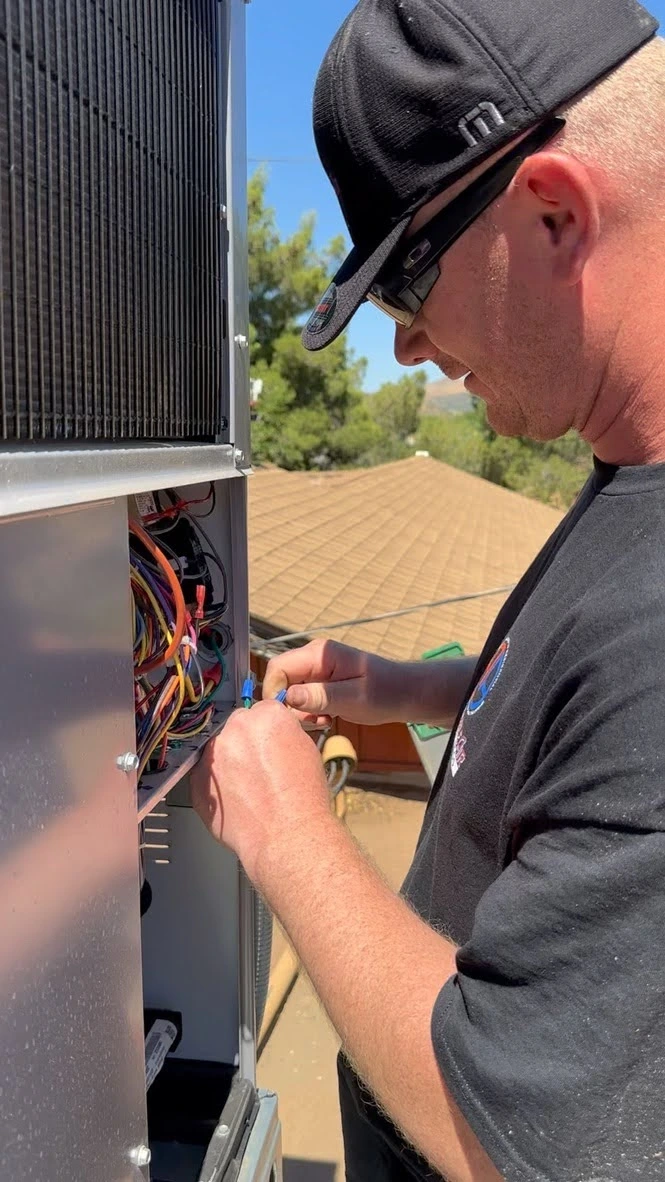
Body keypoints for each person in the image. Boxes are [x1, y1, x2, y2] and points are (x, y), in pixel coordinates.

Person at [191, 0, 665, 1177]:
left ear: (553, 211)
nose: (403, 346)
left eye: (405, 275)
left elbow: (511, 1139)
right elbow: (587, 716)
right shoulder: (628, 471)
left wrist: (287, 832)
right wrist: (417, 688)